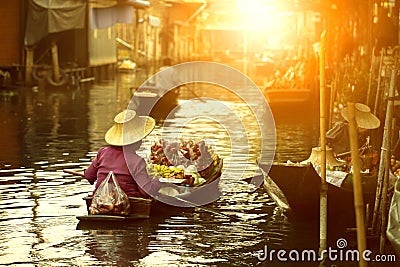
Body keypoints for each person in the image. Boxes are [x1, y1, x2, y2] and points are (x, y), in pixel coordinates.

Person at [84, 109, 161, 198]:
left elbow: (89, 176)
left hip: (101, 199)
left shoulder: (102, 152)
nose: (141, 141)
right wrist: (158, 181)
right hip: (128, 200)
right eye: (140, 138)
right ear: (135, 141)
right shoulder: (137, 161)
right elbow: (145, 192)